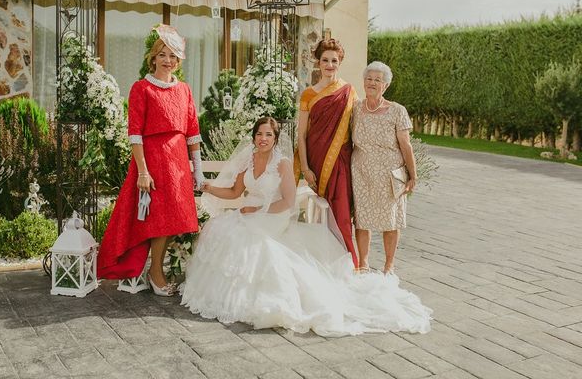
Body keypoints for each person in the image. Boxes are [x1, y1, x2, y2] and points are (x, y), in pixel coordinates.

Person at [181, 117, 431, 337]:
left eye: (268, 134)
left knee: (252, 243)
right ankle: (227, 295)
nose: (263, 138)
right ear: (254, 136)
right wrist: (209, 187)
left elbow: (288, 202)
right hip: (248, 213)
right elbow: (235, 191)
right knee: (221, 230)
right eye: (259, 134)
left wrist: (257, 210)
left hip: (272, 215)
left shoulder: (282, 164)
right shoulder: (249, 158)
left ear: (276, 138)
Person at [98, 24, 204, 296]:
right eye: (163, 54)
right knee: (159, 220)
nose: (168, 61)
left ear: (178, 61)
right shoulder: (141, 88)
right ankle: (156, 274)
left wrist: (198, 172)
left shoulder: (184, 90)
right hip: (154, 161)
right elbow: (135, 134)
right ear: (153, 57)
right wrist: (143, 172)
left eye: (172, 56)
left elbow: (193, 133)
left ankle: (155, 270)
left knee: (174, 220)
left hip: (178, 162)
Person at [295, 39, 359, 267]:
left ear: (340, 62)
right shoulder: (308, 95)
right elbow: (301, 135)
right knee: (321, 215)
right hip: (316, 161)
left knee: (341, 214)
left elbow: (358, 128)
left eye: (334, 60)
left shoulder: (349, 92)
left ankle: (347, 265)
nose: (329, 65)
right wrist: (305, 168)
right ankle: (321, 262)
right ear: (318, 62)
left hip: (341, 162)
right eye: (325, 60)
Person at [351, 61, 417, 275]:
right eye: (369, 79)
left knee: (390, 220)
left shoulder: (397, 111)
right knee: (362, 219)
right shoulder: (355, 108)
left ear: (385, 86)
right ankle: (363, 263)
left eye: (377, 80)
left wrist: (412, 176)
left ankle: (389, 265)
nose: (372, 83)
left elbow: (406, 145)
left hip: (390, 173)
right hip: (361, 172)